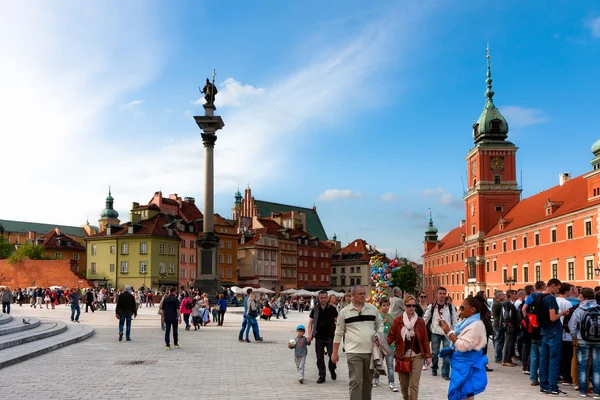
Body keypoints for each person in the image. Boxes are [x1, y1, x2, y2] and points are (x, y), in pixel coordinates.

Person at [332, 285, 383, 400]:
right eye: (360, 294)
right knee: (356, 381)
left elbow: (380, 324)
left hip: (370, 352)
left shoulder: (372, 309)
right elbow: (338, 333)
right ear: (352, 296)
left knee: (368, 383)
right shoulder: (344, 312)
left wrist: (379, 336)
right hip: (353, 352)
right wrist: (334, 353)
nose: (363, 296)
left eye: (364, 293)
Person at [439, 296, 489, 400]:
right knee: (463, 392)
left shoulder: (476, 325)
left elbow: (463, 346)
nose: (460, 310)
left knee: (465, 393)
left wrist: (448, 331)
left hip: (468, 364)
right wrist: (446, 330)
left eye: (462, 307)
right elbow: (457, 339)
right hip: (463, 364)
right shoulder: (467, 322)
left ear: (472, 309)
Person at [387, 294, 431, 399]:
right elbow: (391, 337)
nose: (411, 307)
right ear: (404, 306)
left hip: (417, 355)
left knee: (413, 385)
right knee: (404, 385)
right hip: (402, 356)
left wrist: (428, 355)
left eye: (414, 305)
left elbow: (425, 339)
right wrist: (382, 346)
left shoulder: (420, 321)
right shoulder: (398, 321)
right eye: (409, 305)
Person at [536, 278, 569, 396]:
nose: (558, 290)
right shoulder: (551, 299)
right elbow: (553, 318)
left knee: (544, 360)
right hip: (553, 333)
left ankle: (543, 386)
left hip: (544, 331)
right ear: (553, 286)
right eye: (558, 288)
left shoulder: (540, 297)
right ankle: (553, 388)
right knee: (554, 360)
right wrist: (563, 313)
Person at [568, 287, 600, 397]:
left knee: (583, 366)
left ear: (586, 298)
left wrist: (576, 337)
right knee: (597, 366)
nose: (579, 299)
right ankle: (597, 391)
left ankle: (583, 390)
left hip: (583, 340)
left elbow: (572, 326)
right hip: (598, 341)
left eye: (581, 297)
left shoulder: (580, 310)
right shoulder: (599, 308)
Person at [423, 286, 457, 380]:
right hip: (435, 331)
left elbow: (454, 319)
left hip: (447, 333)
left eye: (444, 294)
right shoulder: (432, 306)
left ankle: (445, 372)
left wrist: (455, 331)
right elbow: (425, 319)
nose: (442, 296)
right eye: (440, 293)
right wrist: (420, 328)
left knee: (446, 352)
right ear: (437, 294)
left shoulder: (450, 306)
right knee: (434, 352)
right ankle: (434, 367)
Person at [307, 289, 338, 384]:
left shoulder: (332, 309)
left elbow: (337, 321)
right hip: (319, 336)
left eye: (325, 297)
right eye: (321, 298)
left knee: (331, 356)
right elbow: (310, 322)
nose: (323, 299)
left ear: (327, 298)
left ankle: (332, 369)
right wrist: (309, 335)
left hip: (330, 336)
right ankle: (322, 375)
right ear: (318, 298)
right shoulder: (315, 309)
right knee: (319, 357)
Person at [372, 297, 398, 391]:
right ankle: (376, 378)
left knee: (390, 365)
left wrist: (395, 344)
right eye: (384, 305)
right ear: (380, 306)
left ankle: (391, 382)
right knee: (378, 363)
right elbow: (374, 329)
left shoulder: (391, 318)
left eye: (387, 305)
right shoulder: (378, 317)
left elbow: (394, 332)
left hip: (390, 346)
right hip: (379, 345)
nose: (386, 307)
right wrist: (383, 322)